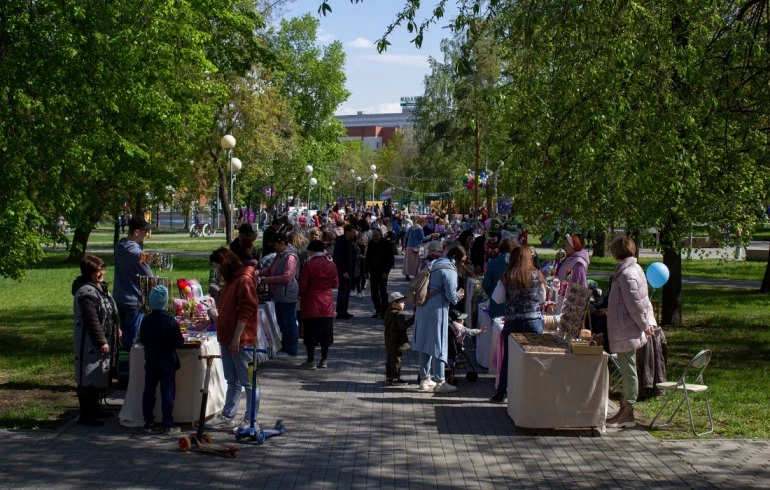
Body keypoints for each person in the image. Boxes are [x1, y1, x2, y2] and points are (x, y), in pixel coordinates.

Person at [606, 236, 656, 428]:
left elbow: (636, 304)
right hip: (626, 326)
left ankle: (628, 410)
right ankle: (624, 410)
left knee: (628, 370)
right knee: (628, 367)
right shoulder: (632, 270)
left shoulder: (627, 274)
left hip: (627, 328)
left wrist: (645, 324)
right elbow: (642, 301)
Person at [207, 248, 258, 430]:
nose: (217, 272)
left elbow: (247, 310)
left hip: (241, 341)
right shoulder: (232, 280)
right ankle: (228, 415)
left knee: (250, 381)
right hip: (228, 339)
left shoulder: (243, 280)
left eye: (218, 267)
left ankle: (250, 419)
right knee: (233, 380)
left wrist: (237, 337)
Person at [489, 246, 547, 403]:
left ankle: (502, 393)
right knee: (536, 357)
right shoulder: (537, 275)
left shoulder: (507, 276)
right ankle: (537, 392)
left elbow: (497, 298)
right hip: (533, 321)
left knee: (509, 358)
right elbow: (542, 298)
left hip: (513, 321)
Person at [72, 255, 120, 426]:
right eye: (97, 271)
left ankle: (95, 407)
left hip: (103, 338)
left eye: (102, 269)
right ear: (88, 272)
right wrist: (101, 341)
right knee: (87, 376)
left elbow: (110, 311)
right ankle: (86, 413)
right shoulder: (86, 292)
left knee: (99, 374)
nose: (101, 273)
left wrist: (116, 330)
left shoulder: (100, 288)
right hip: (89, 342)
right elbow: (91, 319)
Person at [412, 245, 466, 394]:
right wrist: (459, 295)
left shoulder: (434, 263)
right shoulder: (449, 270)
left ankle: (424, 379)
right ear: (457, 259)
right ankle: (440, 380)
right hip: (437, 310)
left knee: (424, 343)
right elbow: (452, 297)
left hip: (423, 307)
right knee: (439, 344)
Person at [113, 215, 154, 388]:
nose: (147, 233)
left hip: (119, 298)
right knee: (130, 340)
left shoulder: (119, 246)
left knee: (121, 339)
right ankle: (125, 378)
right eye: (145, 231)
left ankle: (120, 372)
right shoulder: (139, 253)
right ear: (136, 231)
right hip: (133, 301)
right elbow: (150, 277)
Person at [139, 286, 184, 433]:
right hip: (167, 362)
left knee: (149, 391)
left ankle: (148, 421)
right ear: (166, 302)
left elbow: (143, 340)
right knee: (168, 393)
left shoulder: (146, 320)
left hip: (151, 360)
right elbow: (179, 342)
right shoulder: (170, 321)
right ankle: (167, 423)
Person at [297, 240, 339, 370]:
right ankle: (324, 359)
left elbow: (303, 285)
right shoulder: (331, 265)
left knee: (310, 332)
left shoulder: (309, 265)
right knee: (326, 332)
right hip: (326, 301)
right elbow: (335, 283)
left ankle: (310, 361)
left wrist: (299, 295)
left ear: (313, 251)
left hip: (311, 300)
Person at [258, 232, 300, 357]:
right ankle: (285, 346)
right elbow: (270, 270)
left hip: (287, 294)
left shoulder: (290, 257)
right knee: (282, 322)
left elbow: (287, 277)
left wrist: (268, 280)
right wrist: (258, 272)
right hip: (278, 293)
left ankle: (291, 349)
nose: (274, 247)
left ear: (283, 243)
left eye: (276, 245)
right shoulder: (279, 255)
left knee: (289, 322)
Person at [482, 237, 519, 319]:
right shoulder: (519, 263)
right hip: (514, 303)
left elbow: (486, 284)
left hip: (497, 304)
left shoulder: (494, 262)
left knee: (497, 328)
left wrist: (493, 293)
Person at [384, 292, 414, 385]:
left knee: (390, 359)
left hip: (390, 341)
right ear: (394, 304)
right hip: (397, 342)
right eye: (401, 302)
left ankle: (389, 377)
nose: (404, 304)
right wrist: (414, 318)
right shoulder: (398, 315)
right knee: (397, 360)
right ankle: (396, 378)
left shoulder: (388, 313)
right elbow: (403, 325)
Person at [365, 228, 395, 319]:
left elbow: (391, 259)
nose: (375, 237)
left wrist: (386, 271)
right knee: (374, 292)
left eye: (377, 235)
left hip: (383, 271)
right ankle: (378, 310)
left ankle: (385, 310)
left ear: (381, 235)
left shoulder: (386, 243)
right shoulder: (371, 244)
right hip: (373, 271)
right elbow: (368, 258)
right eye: (374, 236)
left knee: (383, 291)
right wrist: (366, 271)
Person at [332, 224, 357, 320]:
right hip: (343, 270)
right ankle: (340, 312)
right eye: (353, 232)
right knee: (342, 291)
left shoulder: (350, 242)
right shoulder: (340, 242)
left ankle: (344, 310)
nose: (354, 234)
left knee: (347, 291)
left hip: (350, 269)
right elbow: (337, 258)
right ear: (347, 232)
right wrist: (343, 271)